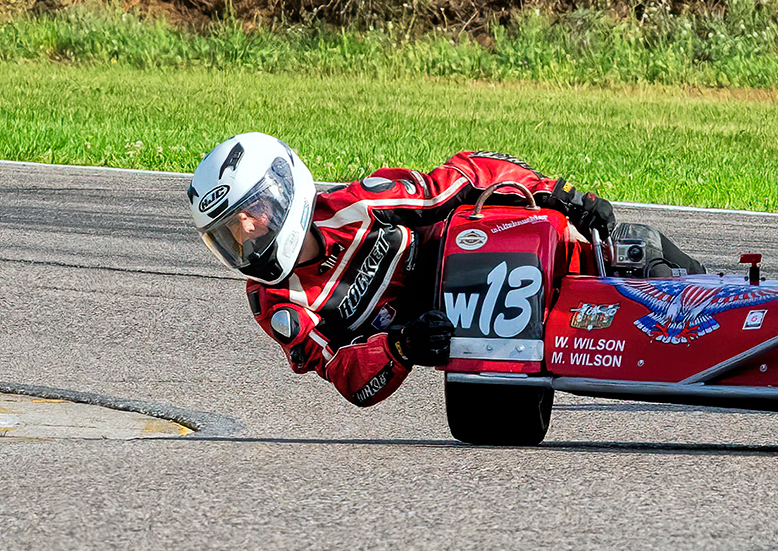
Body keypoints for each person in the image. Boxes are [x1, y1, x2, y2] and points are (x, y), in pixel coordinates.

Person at [188, 133, 624, 408]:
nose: (246, 234)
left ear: (284, 192)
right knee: (494, 422)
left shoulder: (357, 204)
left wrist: (554, 193)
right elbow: (342, 371)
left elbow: (459, 177)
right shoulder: (277, 303)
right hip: (447, 329)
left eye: (251, 212)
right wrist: (400, 347)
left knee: (622, 245)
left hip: (479, 258)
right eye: (229, 231)